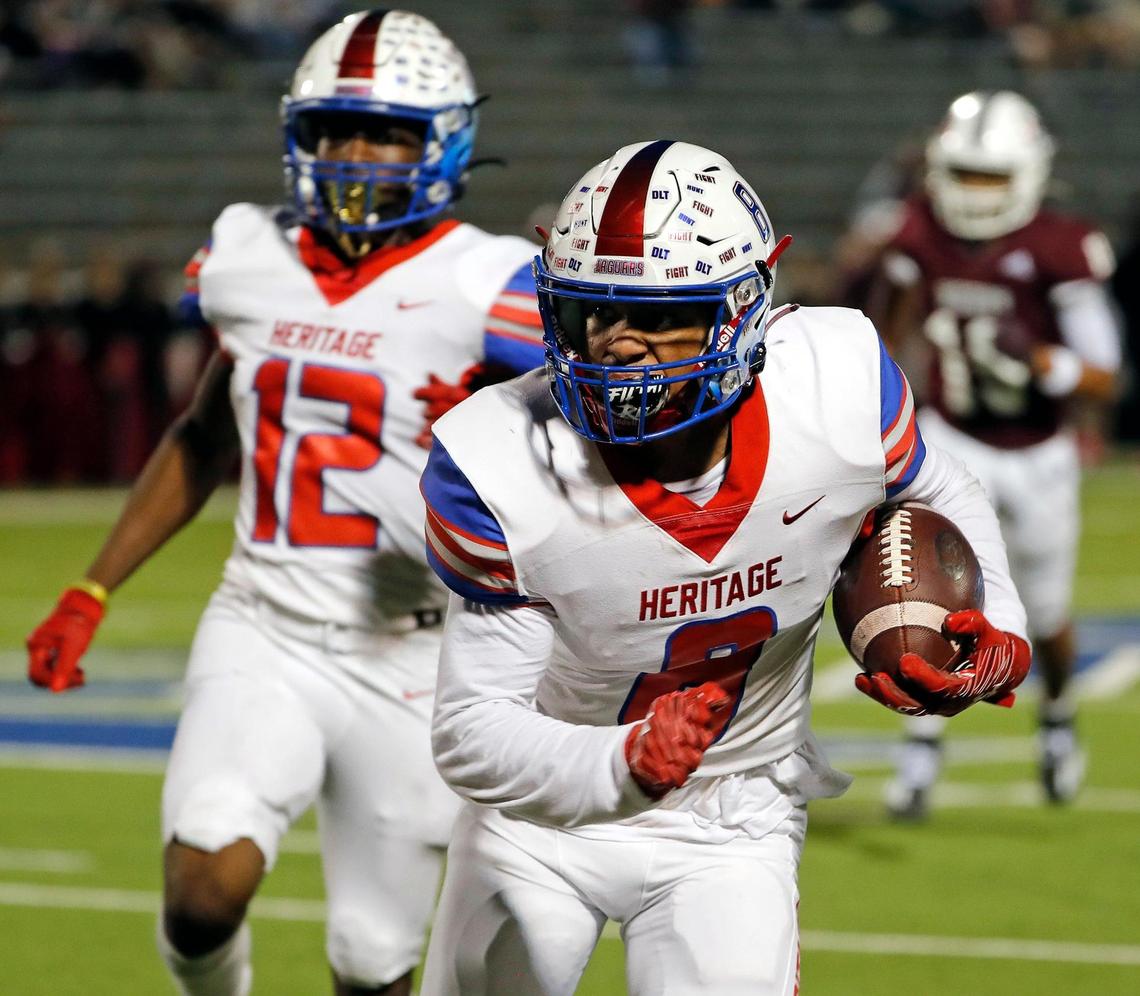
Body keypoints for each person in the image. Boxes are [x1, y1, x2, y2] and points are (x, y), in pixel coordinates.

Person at [416, 139, 1031, 995]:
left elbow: (940, 484)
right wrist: (620, 763)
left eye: (659, 317)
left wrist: (997, 622)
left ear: (743, 313)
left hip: (734, 814)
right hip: (541, 820)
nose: (617, 347)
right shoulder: (500, 459)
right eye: (592, 313)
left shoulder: (836, 383)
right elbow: (473, 729)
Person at [24, 10, 545, 996]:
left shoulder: (497, 285)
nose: (354, 156)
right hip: (266, 624)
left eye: (385, 131)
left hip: (420, 651)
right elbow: (203, 435)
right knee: (202, 883)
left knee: (373, 960)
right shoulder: (247, 255)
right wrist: (93, 589)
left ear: (445, 140)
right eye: (333, 130)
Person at [872, 90, 1121, 820]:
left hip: (1039, 450)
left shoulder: (1060, 245)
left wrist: (1048, 364)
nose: (976, 193)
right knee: (926, 597)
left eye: (992, 177)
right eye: (967, 174)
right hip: (951, 440)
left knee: (1045, 612)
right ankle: (920, 745)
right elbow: (885, 335)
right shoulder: (917, 234)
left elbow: (1105, 372)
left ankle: (1058, 716)